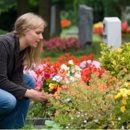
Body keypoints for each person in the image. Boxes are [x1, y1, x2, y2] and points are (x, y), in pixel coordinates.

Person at [0, 12, 47, 129]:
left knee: (29, 81)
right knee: (8, 101)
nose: (41, 37)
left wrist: (37, 94)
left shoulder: (21, 48)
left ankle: (12, 127)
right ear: (25, 30)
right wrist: (29, 93)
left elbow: (16, 78)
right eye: (38, 33)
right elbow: (1, 80)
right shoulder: (3, 44)